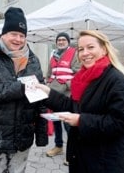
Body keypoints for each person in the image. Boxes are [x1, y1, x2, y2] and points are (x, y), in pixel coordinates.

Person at [36, 30, 124, 173]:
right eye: (81, 49)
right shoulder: (84, 78)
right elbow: (72, 106)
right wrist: (47, 93)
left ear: (103, 49)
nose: (84, 53)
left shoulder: (117, 81)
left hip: (104, 162)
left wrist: (80, 121)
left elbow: (122, 122)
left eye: (90, 47)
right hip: (82, 157)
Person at [0, 7, 48, 173]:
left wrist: (41, 134)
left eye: (22, 35)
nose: (18, 39)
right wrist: (19, 88)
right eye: (14, 34)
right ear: (3, 34)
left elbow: (40, 100)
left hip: (23, 137)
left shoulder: (33, 60)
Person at [45, 32, 78, 164]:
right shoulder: (54, 54)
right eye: (59, 40)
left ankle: (72, 152)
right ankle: (58, 146)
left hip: (67, 94)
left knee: (68, 124)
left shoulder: (74, 53)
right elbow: (49, 72)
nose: (61, 42)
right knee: (56, 121)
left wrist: (68, 84)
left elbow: (79, 71)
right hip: (54, 94)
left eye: (64, 40)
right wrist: (48, 83)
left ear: (68, 42)